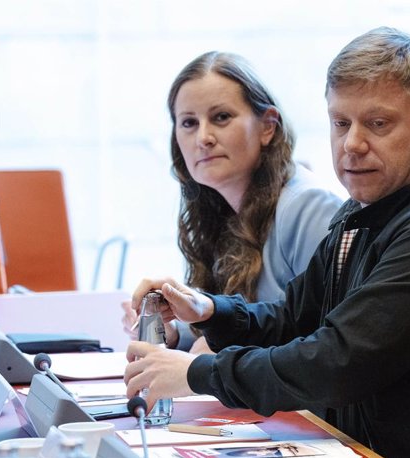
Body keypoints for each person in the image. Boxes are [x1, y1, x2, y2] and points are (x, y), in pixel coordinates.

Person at [124, 27, 410, 458]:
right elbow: (294, 318)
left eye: (378, 124)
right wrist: (211, 311)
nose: (352, 144)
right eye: (341, 123)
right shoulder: (363, 210)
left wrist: (200, 372)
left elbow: (335, 364)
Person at [121, 51, 342, 352]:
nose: (204, 137)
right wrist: (171, 331)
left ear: (268, 126)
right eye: (188, 123)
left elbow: (327, 343)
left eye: (221, 117)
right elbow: (227, 321)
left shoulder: (310, 207)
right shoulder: (218, 209)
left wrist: (217, 356)